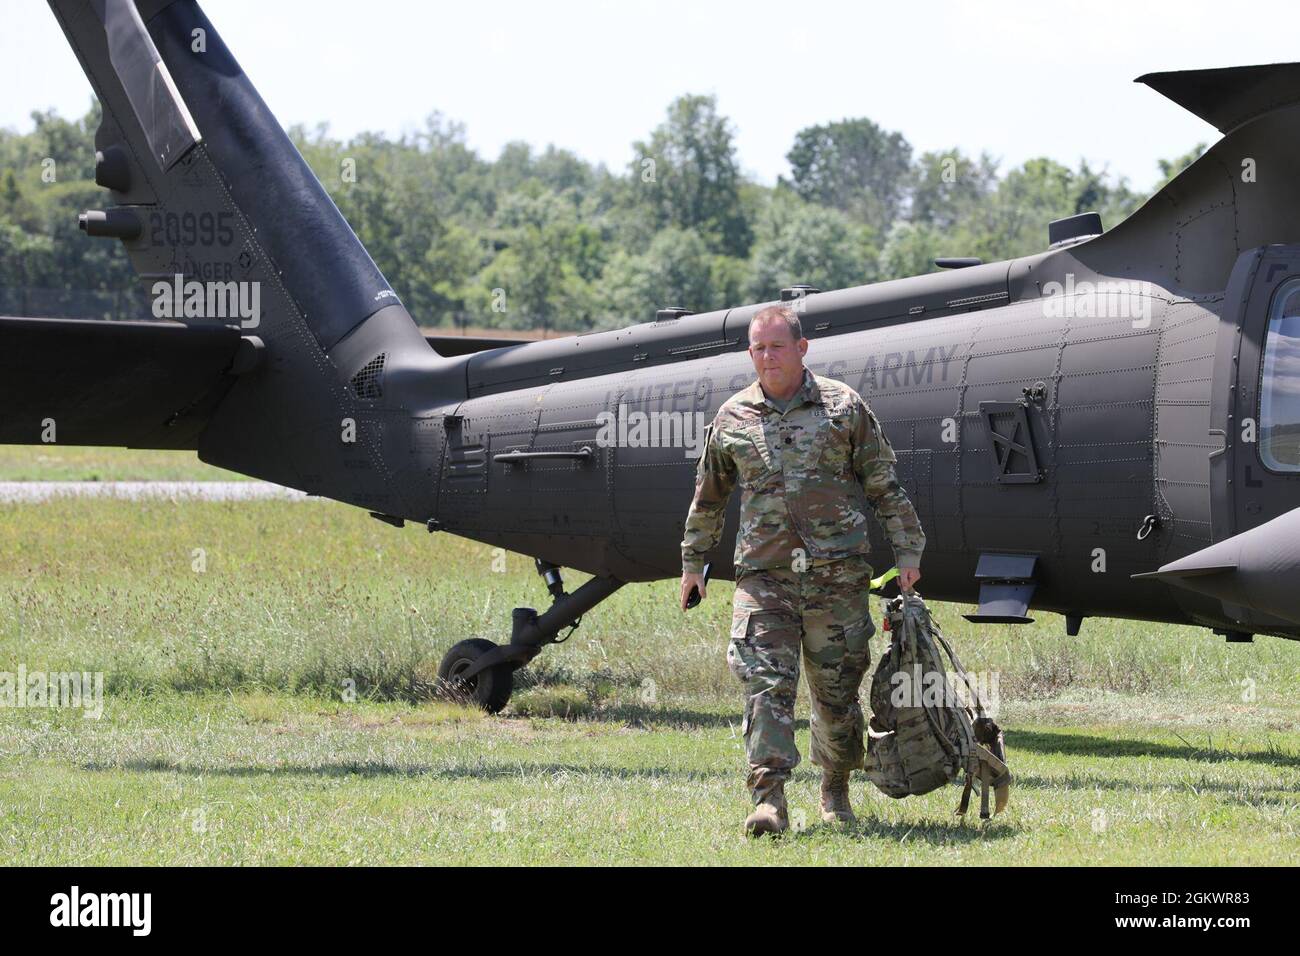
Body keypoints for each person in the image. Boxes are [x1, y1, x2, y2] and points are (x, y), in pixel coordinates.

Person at [679, 304, 925, 836]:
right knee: (765, 683)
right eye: (758, 348)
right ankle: (769, 799)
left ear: (802, 348)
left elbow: (883, 483)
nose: (767, 357)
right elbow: (709, 498)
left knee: (837, 693)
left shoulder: (844, 408)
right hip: (763, 578)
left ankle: (835, 784)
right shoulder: (732, 418)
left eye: (777, 346)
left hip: (837, 577)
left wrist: (908, 551)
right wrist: (694, 563)